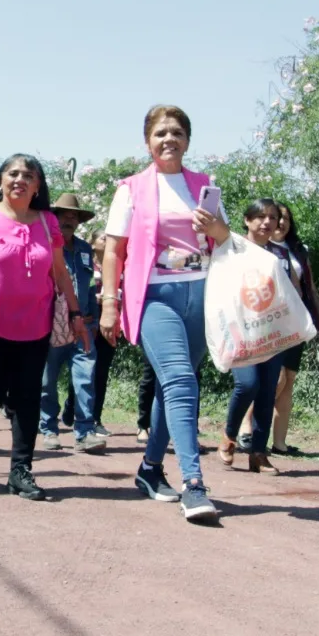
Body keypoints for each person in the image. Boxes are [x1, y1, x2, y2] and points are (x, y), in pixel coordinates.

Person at [99, 105, 225, 522]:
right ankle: (194, 484)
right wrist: (109, 304)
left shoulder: (204, 185)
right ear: (148, 141)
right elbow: (115, 249)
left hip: (201, 296)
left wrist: (214, 229)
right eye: (160, 133)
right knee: (181, 381)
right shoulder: (131, 189)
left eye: (177, 132)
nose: (169, 139)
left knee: (176, 389)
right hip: (154, 296)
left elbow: (224, 239)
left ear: (188, 140)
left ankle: (150, 470)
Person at [0, 155, 90, 500]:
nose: (20, 179)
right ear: (0, 181)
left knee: (29, 398)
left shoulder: (47, 223)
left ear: (37, 186)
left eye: (28, 175)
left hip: (36, 326)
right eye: (12, 173)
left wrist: (76, 314)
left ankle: (20, 471)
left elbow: (60, 273)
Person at [220, 200, 289, 473]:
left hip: (271, 331)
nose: (267, 222)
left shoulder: (277, 256)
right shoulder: (231, 250)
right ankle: (228, 436)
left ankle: (258, 453)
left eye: (272, 217)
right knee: (247, 384)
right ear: (247, 221)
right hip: (240, 330)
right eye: (260, 216)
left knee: (267, 389)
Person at [38, 193, 106, 453]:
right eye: (63, 214)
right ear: (54, 218)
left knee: (85, 379)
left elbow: (89, 286)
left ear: (78, 221)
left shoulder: (85, 250)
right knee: (47, 381)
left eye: (73, 215)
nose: (68, 219)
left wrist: (95, 321)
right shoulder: (45, 247)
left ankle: (85, 432)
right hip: (51, 325)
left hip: (84, 326)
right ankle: (49, 429)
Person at [262, 202, 319, 455]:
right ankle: (245, 431)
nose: (282, 223)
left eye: (287, 218)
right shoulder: (262, 249)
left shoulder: (299, 250)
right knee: (274, 379)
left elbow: (309, 286)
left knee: (288, 379)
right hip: (272, 320)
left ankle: (279, 443)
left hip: (297, 319)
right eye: (279, 218)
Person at [63, 233, 114, 440]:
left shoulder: (114, 266)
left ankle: (94, 419)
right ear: (92, 244)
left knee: (99, 371)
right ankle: (71, 405)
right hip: (81, 320)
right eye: (102, 237)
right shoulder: (82, 261)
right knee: (81, 370)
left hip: (106, 321)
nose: (106, 240)